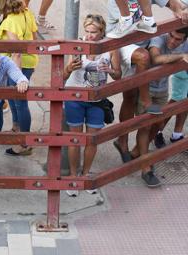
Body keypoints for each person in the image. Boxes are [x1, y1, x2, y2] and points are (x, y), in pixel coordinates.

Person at [106, 0, 188, 167]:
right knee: (130, 94)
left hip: (144, 42)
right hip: (123, 42)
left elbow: (172, 3)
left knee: (147, 110)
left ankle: (137, 149)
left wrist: (182, 10)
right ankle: (123, 140)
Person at [62, 15, 121, 197]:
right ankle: (73, 177)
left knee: (92, 139)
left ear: (101, 31)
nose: (89, 36)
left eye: (93, 32)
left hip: (97, 100)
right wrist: (69, 68)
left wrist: (110, 70)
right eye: (87, 31)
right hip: (75, 98)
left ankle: (86, 175)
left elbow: (118, 75)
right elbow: (63, 76)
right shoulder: (78, 45)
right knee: (75, 139)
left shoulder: (111, 47)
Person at [0, 0, 39, 156]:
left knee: (20, 102)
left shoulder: (10, 22)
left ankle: (24, 143)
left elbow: (17, 52)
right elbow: (34, 39)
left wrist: (19, 77)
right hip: (26, 62)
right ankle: (16, 130)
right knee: (13, 99)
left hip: (18, 66)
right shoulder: (27, 13)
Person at [146, 28, 188, 150]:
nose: (173, 41)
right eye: (171, 36)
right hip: (147, 90)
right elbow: (155, 58)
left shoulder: (185, 43)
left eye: (178, 39)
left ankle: (174, 134)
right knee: (146, 124)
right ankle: (140, 154)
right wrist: (181, 56)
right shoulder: (160, 38)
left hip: (161, 91)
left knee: (156, 120)